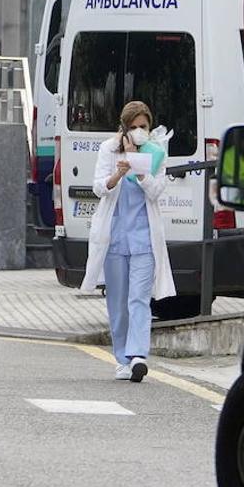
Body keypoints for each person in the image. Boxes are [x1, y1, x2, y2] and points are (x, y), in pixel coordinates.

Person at [81, 100, 176, 381]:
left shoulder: (156, 153)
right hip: (114, 239)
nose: (138, 132)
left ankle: (137, 356)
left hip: (144, 239)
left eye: (143, 127)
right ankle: (121, 358)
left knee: (139, 299)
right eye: (133, 127)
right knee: (118, 302)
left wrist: (141, 172)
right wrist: (118, 174)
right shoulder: (108, 150)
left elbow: (157, 191)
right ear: (123, 128)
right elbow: (99, 188)